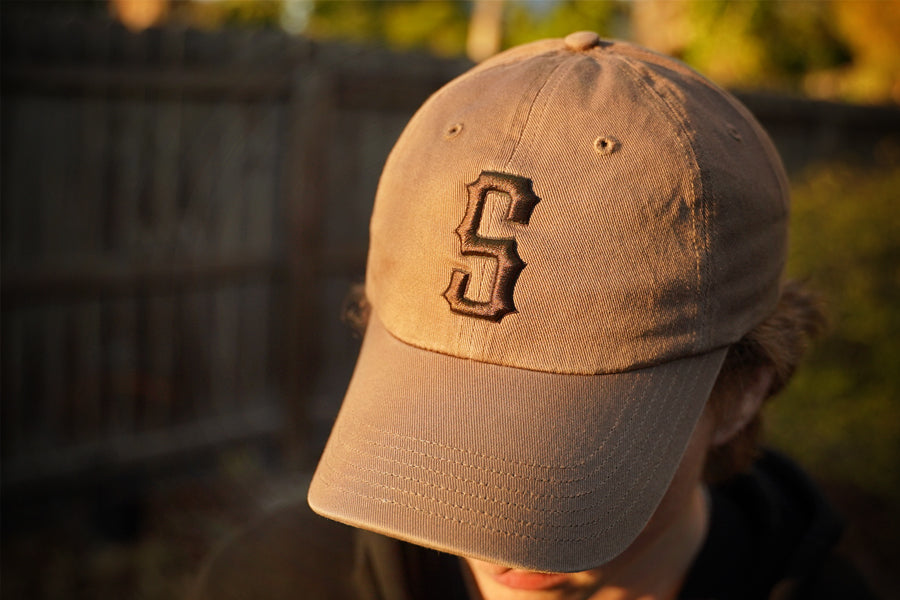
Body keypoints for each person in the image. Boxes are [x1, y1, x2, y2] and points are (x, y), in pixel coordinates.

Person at [191, 32, 877, 600]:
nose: (488, 536)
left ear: (743, 391)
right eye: (441, 410)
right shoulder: (274, 581)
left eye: (567, 440)